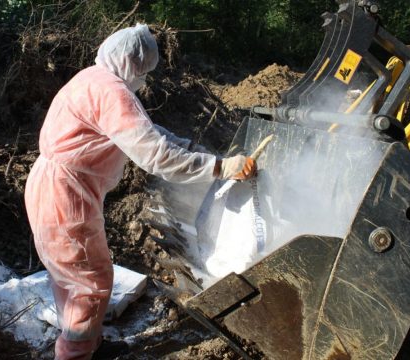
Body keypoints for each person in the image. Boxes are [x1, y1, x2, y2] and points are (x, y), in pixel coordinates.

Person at [24, 23, 256, 360]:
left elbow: (148, 131)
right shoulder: (111, 92)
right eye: (144, 71)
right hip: (66, 195)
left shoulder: (94, 79)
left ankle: (90, 345)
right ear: (132, 64)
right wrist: (219, 168)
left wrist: (196, 150)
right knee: (89, 282)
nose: (144, 80)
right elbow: (155, 155)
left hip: (57, 187)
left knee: (71, 277)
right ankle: (74, 354)